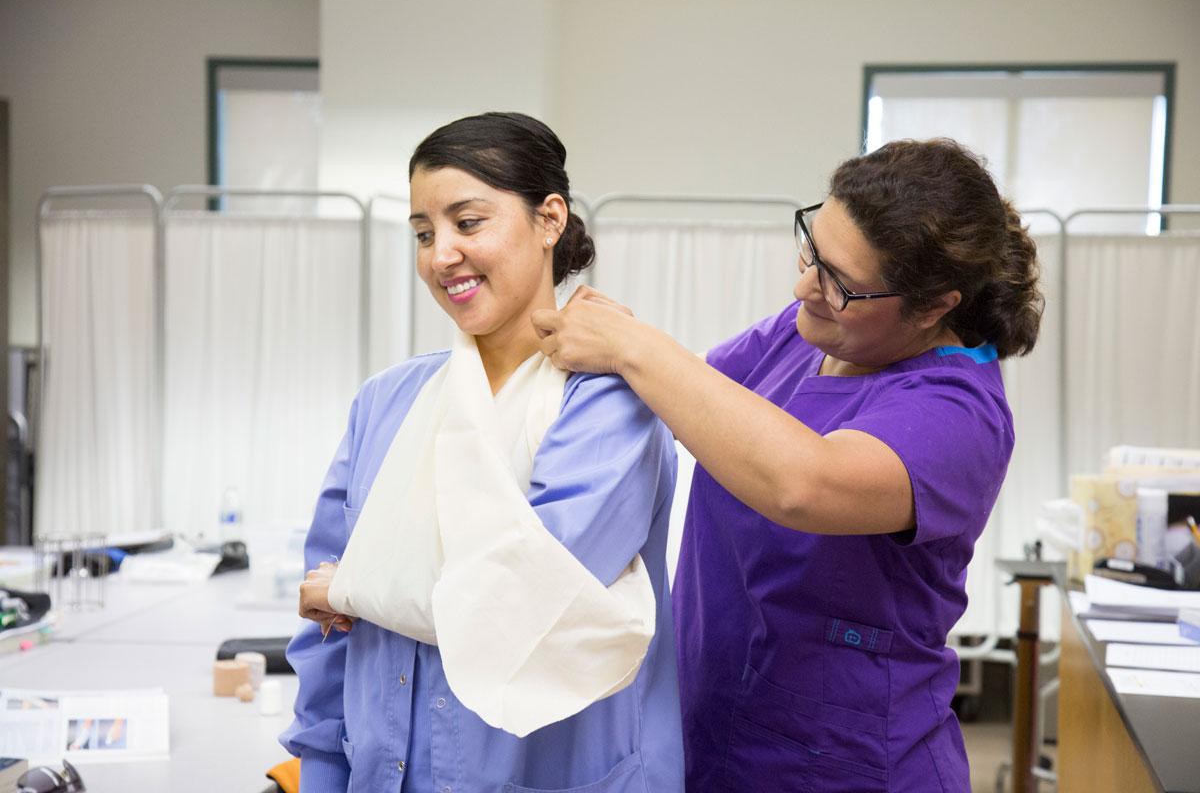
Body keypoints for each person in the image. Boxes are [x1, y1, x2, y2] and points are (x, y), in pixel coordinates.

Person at [533, 138, 1043, 792]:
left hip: (849, 763)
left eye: (842, 283)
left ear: (935, 305)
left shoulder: (958, 412)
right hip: (716, 733)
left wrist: (634, 347)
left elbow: (804, 484)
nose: (805, 286)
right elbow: (696, 404)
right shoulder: (804, 330)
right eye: (812, 250)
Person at [280, 113, 684, 792]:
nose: (441, 255)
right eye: (422, 233)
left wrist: (357, 589)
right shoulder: (388, 402)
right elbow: (327, 637)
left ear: (549, 218)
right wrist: (323, 770)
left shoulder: (609, 406)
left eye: (468, 223)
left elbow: (522, 606)